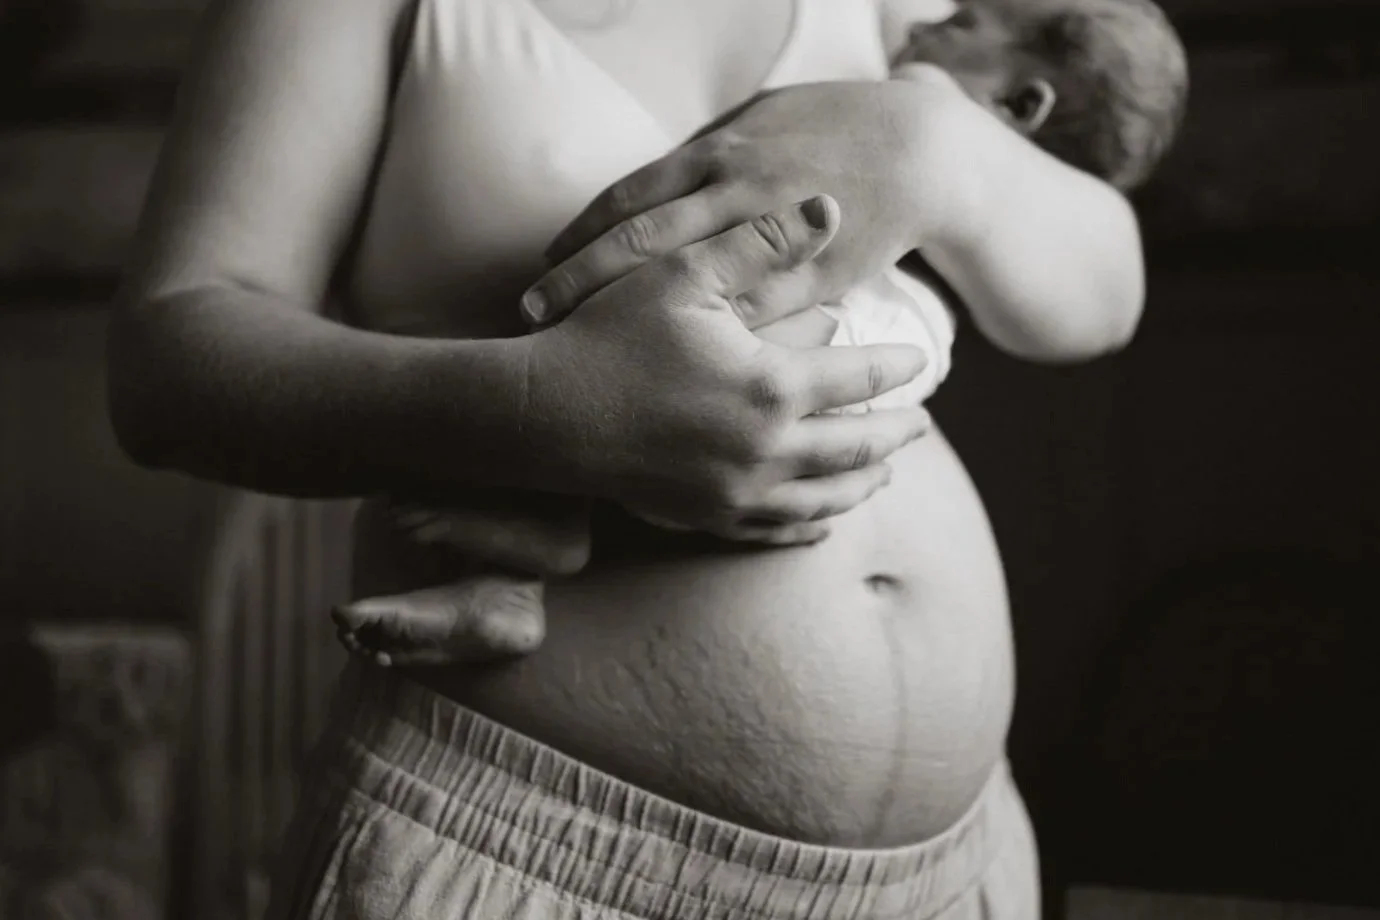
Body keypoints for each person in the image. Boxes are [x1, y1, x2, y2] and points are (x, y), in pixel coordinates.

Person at [107, 0, 1147, 917]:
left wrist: (938, 149)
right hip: (531, 849)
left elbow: (1104, 294)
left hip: (958, 862)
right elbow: (167, 362)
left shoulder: (920, 27)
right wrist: (543, 411)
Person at [331, 0, 1187, 668]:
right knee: (679, 413)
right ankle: (525, 571)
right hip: (893, 354)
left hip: (856, 334)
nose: (928, 23)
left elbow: (1110, 298)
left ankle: (525, 568)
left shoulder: (927, 94)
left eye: (960, 24)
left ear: (1023, 102)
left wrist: (941, 144)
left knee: (683, 386)